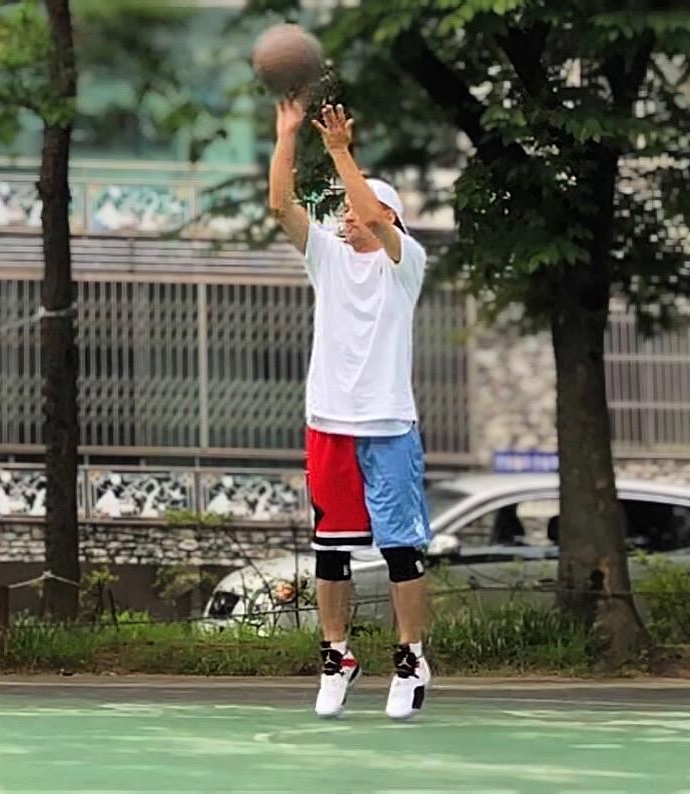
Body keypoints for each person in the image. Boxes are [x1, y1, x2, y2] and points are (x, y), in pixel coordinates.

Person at [269, 97, 432, 721]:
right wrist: (287, 135)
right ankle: (336, 656)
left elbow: (370, 213)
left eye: (355, 209)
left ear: (388, 216)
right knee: (331, 554)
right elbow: (281, 206)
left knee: (400, 551)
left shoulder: (405, 263)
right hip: (329, 424)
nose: (345, 217)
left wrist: (341, 152)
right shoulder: (328, 259)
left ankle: (411, 658)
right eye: (341, 211)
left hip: (387, 424)